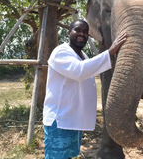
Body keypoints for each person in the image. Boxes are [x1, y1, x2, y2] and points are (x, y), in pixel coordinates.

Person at [43, 19, 127, 159]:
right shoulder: (61, 52)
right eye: (77, 30)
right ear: (69, 33)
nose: (81, 34)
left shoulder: (83, 56)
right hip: (60, 122)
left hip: (72, 121)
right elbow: (80, 71)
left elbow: (87, 70)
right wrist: (110, 52)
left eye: (85, 32)